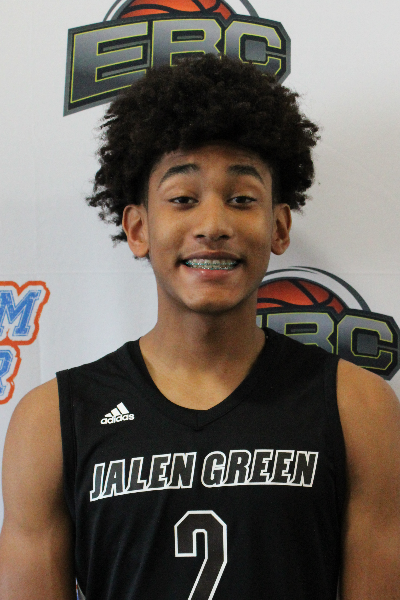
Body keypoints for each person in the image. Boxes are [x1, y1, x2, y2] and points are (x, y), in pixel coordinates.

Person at [0, 54, 399, 600]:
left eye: (241, 200)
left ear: (279, 227)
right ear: (139, 229)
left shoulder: (359, 408)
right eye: (183, 200)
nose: (213, 225)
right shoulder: (51, 421)